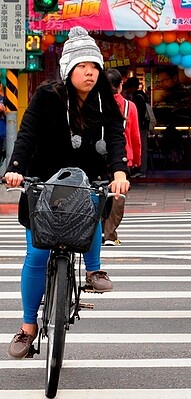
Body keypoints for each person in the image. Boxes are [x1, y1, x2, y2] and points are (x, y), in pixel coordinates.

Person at [3, 26, 130, 359]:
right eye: (82, 66)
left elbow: (116, 137)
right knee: (37, 254)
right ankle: (28, 327)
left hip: (90, 178)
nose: (89, 72)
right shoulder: (48, 95)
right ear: (68, 69)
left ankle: (93, 269)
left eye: (94, 66)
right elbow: (27, 133)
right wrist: (15, 168)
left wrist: (119, 172)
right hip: (45, 181)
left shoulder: (106, 100)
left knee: (92, 201)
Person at [103, 69, 141, 246]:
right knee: (118, 195)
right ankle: (109, 233)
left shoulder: (97, 103)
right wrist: (137, 159)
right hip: (123, 156)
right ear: (120, 86)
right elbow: (135, 136)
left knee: (99, 191)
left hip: (100, 155)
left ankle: (99, 230)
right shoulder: (129, 106)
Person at [123, 76, 150, 178]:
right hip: (142, 126)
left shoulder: (137, 98)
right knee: (141, 147)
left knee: (140, 147)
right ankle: (140, 169)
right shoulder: (141, 96)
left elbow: (138, 115)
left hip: (139, 126)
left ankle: (140, 170)